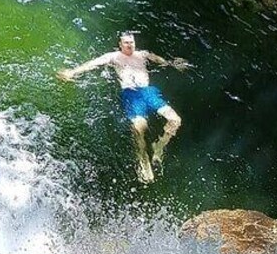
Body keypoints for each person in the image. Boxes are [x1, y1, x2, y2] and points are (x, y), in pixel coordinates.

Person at [57, 32, 189, 183]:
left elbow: (159, 60)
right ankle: (143, 160)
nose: (129, 45)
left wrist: (172, 64)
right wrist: (72, 72)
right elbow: (93, 63)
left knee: (175, 120)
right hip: (131, 94)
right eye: (126, 42)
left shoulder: (142, 54)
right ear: (120, 44)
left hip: (148, 92)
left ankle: (158, 146)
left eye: (131, 42)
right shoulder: (113, 56)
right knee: (140, 128)